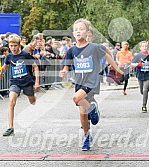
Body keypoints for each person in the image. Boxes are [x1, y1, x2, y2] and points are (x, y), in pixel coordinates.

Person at [59, 18, 123, 151]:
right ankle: (87, 136)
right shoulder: (72, 50)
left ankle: (93, 109)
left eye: (81, 29)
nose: (78, 32)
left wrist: (116, 69)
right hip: (79, 82)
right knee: (82, 114)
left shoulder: (94, 47)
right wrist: (64, 70)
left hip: (92, 81)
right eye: (76, 30)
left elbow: (107, 55)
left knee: (76, 98)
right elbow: (67, 63)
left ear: (87, 32)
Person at [0, 34, 40, 136]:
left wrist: (37, 82)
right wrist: (1, 73)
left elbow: (35, 67)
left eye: (15, 46)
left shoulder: (25, 55)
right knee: (11, 101)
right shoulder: (9, 56)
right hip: (15, 82)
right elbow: (5, 66)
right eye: (11, 46)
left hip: (27, 82)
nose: (13, 48)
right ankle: (10, 127)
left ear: (19, 45)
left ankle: (33, 96)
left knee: (32, 102)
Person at [131, 41, 149, 113]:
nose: (145, 47)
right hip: (140, 75)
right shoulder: (138, 56)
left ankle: (144, 105)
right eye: (143, 46)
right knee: (142, 91)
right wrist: (138, 64)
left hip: (148, 75)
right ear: (140, 48)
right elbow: (132, 64)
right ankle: (146, 90)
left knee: (145, 90)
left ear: (148, 47)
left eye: (146, 46)